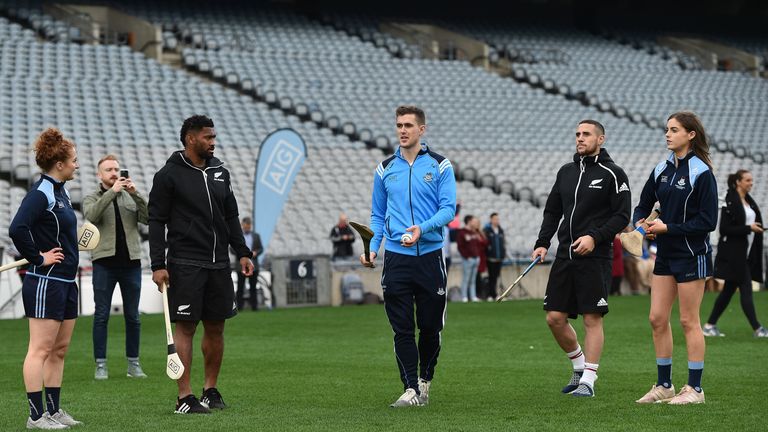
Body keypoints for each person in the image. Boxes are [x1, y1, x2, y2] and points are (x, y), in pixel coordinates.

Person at [149, 115, 254, 414]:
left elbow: (231, 216)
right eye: (208, 137)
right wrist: (158, 264)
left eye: (213, 137)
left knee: (217, 328)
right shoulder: (168, 175)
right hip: (185, 263)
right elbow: (156, 222)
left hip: (219, 263)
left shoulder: (221, 171)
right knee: (186, 328)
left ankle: (210, 390)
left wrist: (242, 251)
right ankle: (185, 397)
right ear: (191, 138)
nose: (213, 142)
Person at [360, 105, 456, 407]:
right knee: (402, 328)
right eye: (399, 125)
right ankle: (410, 387)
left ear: (422, 130)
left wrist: (422, 228)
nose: (402, 130)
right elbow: (377, 215)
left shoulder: (441, 166)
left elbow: (448, 210)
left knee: (429, 328)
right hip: (397, 260)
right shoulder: (385, 168)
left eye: (408, 126)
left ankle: (425, 379)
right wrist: (373, 247)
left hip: (429, 258)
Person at [532, 119, 631, 398]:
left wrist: (594, 237)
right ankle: (578, 366)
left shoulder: (614, 174)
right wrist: (542, 243)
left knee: (592, 318)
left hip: (596, 256)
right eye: (577, 133)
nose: (580, 138)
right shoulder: (565, 172)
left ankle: (589, 379)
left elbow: (622, 216)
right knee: (554, 318)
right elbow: (552, 211)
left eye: (586, 134)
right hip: (565, 255)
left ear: (601, 139)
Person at [633, 111, 718, 405]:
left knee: (688, 320)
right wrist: (641, 225)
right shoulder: (662, 169)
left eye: (674, 129)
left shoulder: (702, 172)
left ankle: (695, 389)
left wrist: (668, 228)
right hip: (666, 256)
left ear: (690, 135)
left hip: (692, 255)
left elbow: (708, 221)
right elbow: (642, 205)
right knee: (657, 318)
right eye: (667, 129)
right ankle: (665, 385)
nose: (668, 134)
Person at [9, 128, 83, 429]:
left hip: (66, 281)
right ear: (60, 164)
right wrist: (39, 257)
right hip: (46, 281)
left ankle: (53, 411)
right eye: (74, 161)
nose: (77, 165)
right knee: (39, 350)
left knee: (59, 350)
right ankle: (35, 416)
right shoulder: (41, 193)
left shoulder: (61, 191)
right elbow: (17, 228)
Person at [83, 155, 149, 380]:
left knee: (133, 316)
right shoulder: (92, 197)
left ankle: (133, 364)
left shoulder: (129, 196)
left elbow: (149, 218)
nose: (114, 173)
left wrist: (135, 194)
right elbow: (91, 216)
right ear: (99, 175)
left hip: (131, 263)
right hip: (104, 264)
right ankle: (100, 365)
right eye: (109, 170)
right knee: (101, 315)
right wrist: (112, 192)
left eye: (116, 169)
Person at [704, 170, 767, 337]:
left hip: (744, 251)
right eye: (747, 180)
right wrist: (749, 228)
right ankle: (758, 329)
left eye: (752, 180)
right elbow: (724, 229)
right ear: (738, 182)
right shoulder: (729, 201)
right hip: (733, 253)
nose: (751, 183)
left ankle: (709, 325)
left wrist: (755, 228)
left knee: (728, 291)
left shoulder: (749, 202)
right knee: (745, 287)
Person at [236, 217, 264, 311]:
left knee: (253, 287)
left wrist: (256, 253)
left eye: (249, 226)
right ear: (242, 225)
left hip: (254, 265)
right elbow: (231, 249)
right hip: (241, 265)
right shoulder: (237, 236)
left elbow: (261, 248)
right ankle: (239, 307)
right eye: (246, 226)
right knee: (240, 287)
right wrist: (241, 254)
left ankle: (254, 307)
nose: (247, 227)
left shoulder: (256, 236)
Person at [457, 215, 484, 302]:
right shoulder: (462, 232)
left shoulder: (474, 232)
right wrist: (467, 257)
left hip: (476, 258)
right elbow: (460, 247)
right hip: (468, 259)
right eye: (473, 221)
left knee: (473, 279)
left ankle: (473, 296)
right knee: (466, 278)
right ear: (469, 221)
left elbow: (479, 245)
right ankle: (464, 296)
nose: (476, 223)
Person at [484, 212, 506, 300]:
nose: (497, 221)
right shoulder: (487, 230)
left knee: (496, 277)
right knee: (491, 277)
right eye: (495, 219)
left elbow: (503, 243)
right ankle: (490, 294)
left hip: (499, 258)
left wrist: (503, 253)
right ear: (491, 220)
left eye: (498, 219)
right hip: (490, 258)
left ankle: (495, 294)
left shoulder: (500, 230)